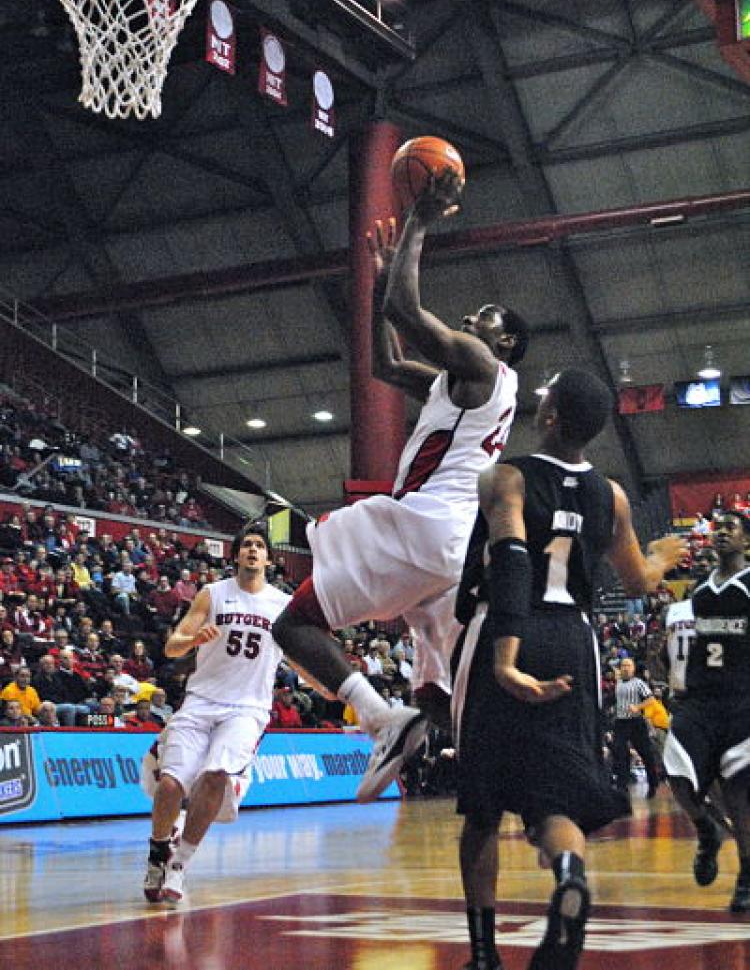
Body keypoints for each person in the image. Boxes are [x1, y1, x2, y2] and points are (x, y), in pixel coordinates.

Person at [272, 177, 529, 801]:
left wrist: (418, 221)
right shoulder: (457, 385)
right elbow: (385, 364)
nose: (470, 322)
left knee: (294, 626)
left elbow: (408, 315)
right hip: (451, 546)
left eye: (481, 321)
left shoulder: (483, 368)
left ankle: (376, 717)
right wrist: (384, 280)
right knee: (435, 693)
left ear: (506, 344)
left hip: (427, 527)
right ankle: (498, 787)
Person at [453, 368, 684, 970]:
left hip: (510, 625)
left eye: (546, 396)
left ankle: (484, 955)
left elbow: (508, 559)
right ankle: (569, 874)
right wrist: (660, 557)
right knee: (556, 800)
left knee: (482, 808)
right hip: (576, 640)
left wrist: (505, 656)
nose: (538, 400)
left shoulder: (507, 476)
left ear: (552, 418)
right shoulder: (612, 496)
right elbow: (638, 582)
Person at [143, 521, 290, 905]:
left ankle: (180, 865)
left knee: (215, 776)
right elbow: (172, 647)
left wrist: (335, 686)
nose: (253, 550)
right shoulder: (212, 594)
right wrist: (193, 639)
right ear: (236, 554)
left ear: (269, 558)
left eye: (259, 545)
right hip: (201, 701)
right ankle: (158, 852)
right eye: (246, 545)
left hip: (247, 709)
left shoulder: (283, 605)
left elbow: (303, 655)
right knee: (171, 786)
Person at [663, 510, 750, 910]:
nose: (720, 534)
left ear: (746, 541)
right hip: (699, 700)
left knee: (738, 794)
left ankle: (747, 871)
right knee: (677, 774)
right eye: (717, 529)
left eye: (730, 529)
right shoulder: (698, 591)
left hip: (741, 700)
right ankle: (706, 831)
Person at [612, 657, 660, 798]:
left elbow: (651, 699)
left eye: (628, 665)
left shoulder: (638, 683)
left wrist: (638, 707)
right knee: (620, 752)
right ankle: (622, 785)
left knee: (645, 752)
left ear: (633, 668)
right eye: (623, 665)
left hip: (635, 722)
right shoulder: (618, 683)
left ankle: (653, 782)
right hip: (621, 722)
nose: (625, 668)